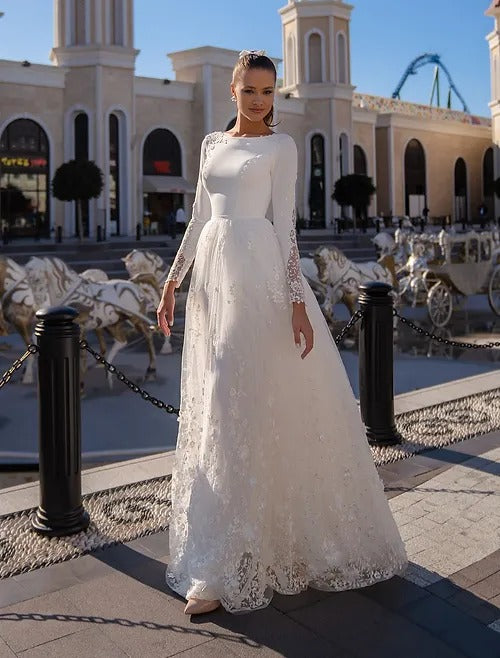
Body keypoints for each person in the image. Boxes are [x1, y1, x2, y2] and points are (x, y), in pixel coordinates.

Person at [156, 50, 408, 617]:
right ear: (233, 90)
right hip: (214, 285)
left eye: (268, 92)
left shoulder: (281, 148)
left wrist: (297, 301)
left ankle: (227, 568)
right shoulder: (211, 146)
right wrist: (173, 281)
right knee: (222, 405)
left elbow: (286, 227)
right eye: (250, 91)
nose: (260, 102)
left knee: (238, 402)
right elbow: (198, 216)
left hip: (259, 275)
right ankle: (227, 551)